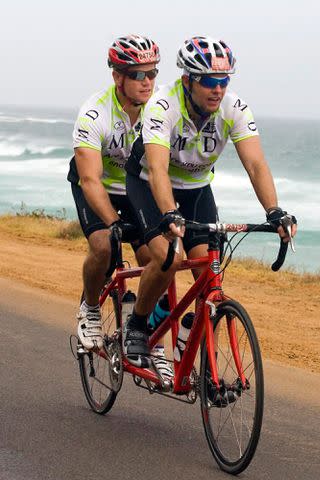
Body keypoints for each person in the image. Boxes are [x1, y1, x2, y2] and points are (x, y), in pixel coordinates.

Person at [124, 35, 297, 368]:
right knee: (167, 258)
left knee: (208, 268)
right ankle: (139, 324)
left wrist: (274, 211)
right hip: (148, 182)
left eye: (224, 80)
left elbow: (256, 164)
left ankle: (195, 346)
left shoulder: (233, 108)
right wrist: (169, 213)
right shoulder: (164, 106)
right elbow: (158, 168)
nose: (218, 89)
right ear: (188, 80)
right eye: (210, 81)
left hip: (196, 188)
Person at [67, 34, 160, 351]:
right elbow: (90, 179)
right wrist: (112, 222)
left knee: (158, 259)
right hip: (96, 186)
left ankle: (140, 322)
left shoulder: (160, 109)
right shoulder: (95, 113)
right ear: (117, 76)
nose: (147, 82)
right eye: (138, 74)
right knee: (105, 246)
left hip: (135, 188)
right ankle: (90, 309)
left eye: (152, 73)